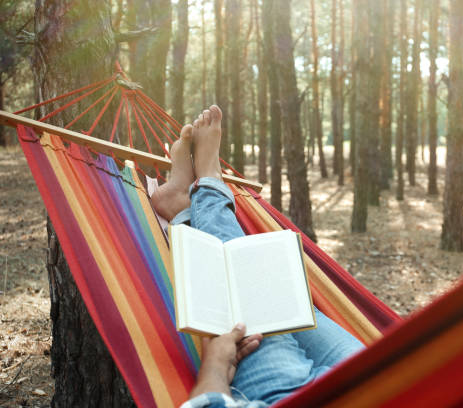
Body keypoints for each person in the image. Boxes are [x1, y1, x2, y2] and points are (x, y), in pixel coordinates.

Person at [151, 105, 363, 408]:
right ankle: (184, 210)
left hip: (283, 398)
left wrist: (214, 371)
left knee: (245, 289)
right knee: (286, 303)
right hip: (370, 387)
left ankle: (206, 183)